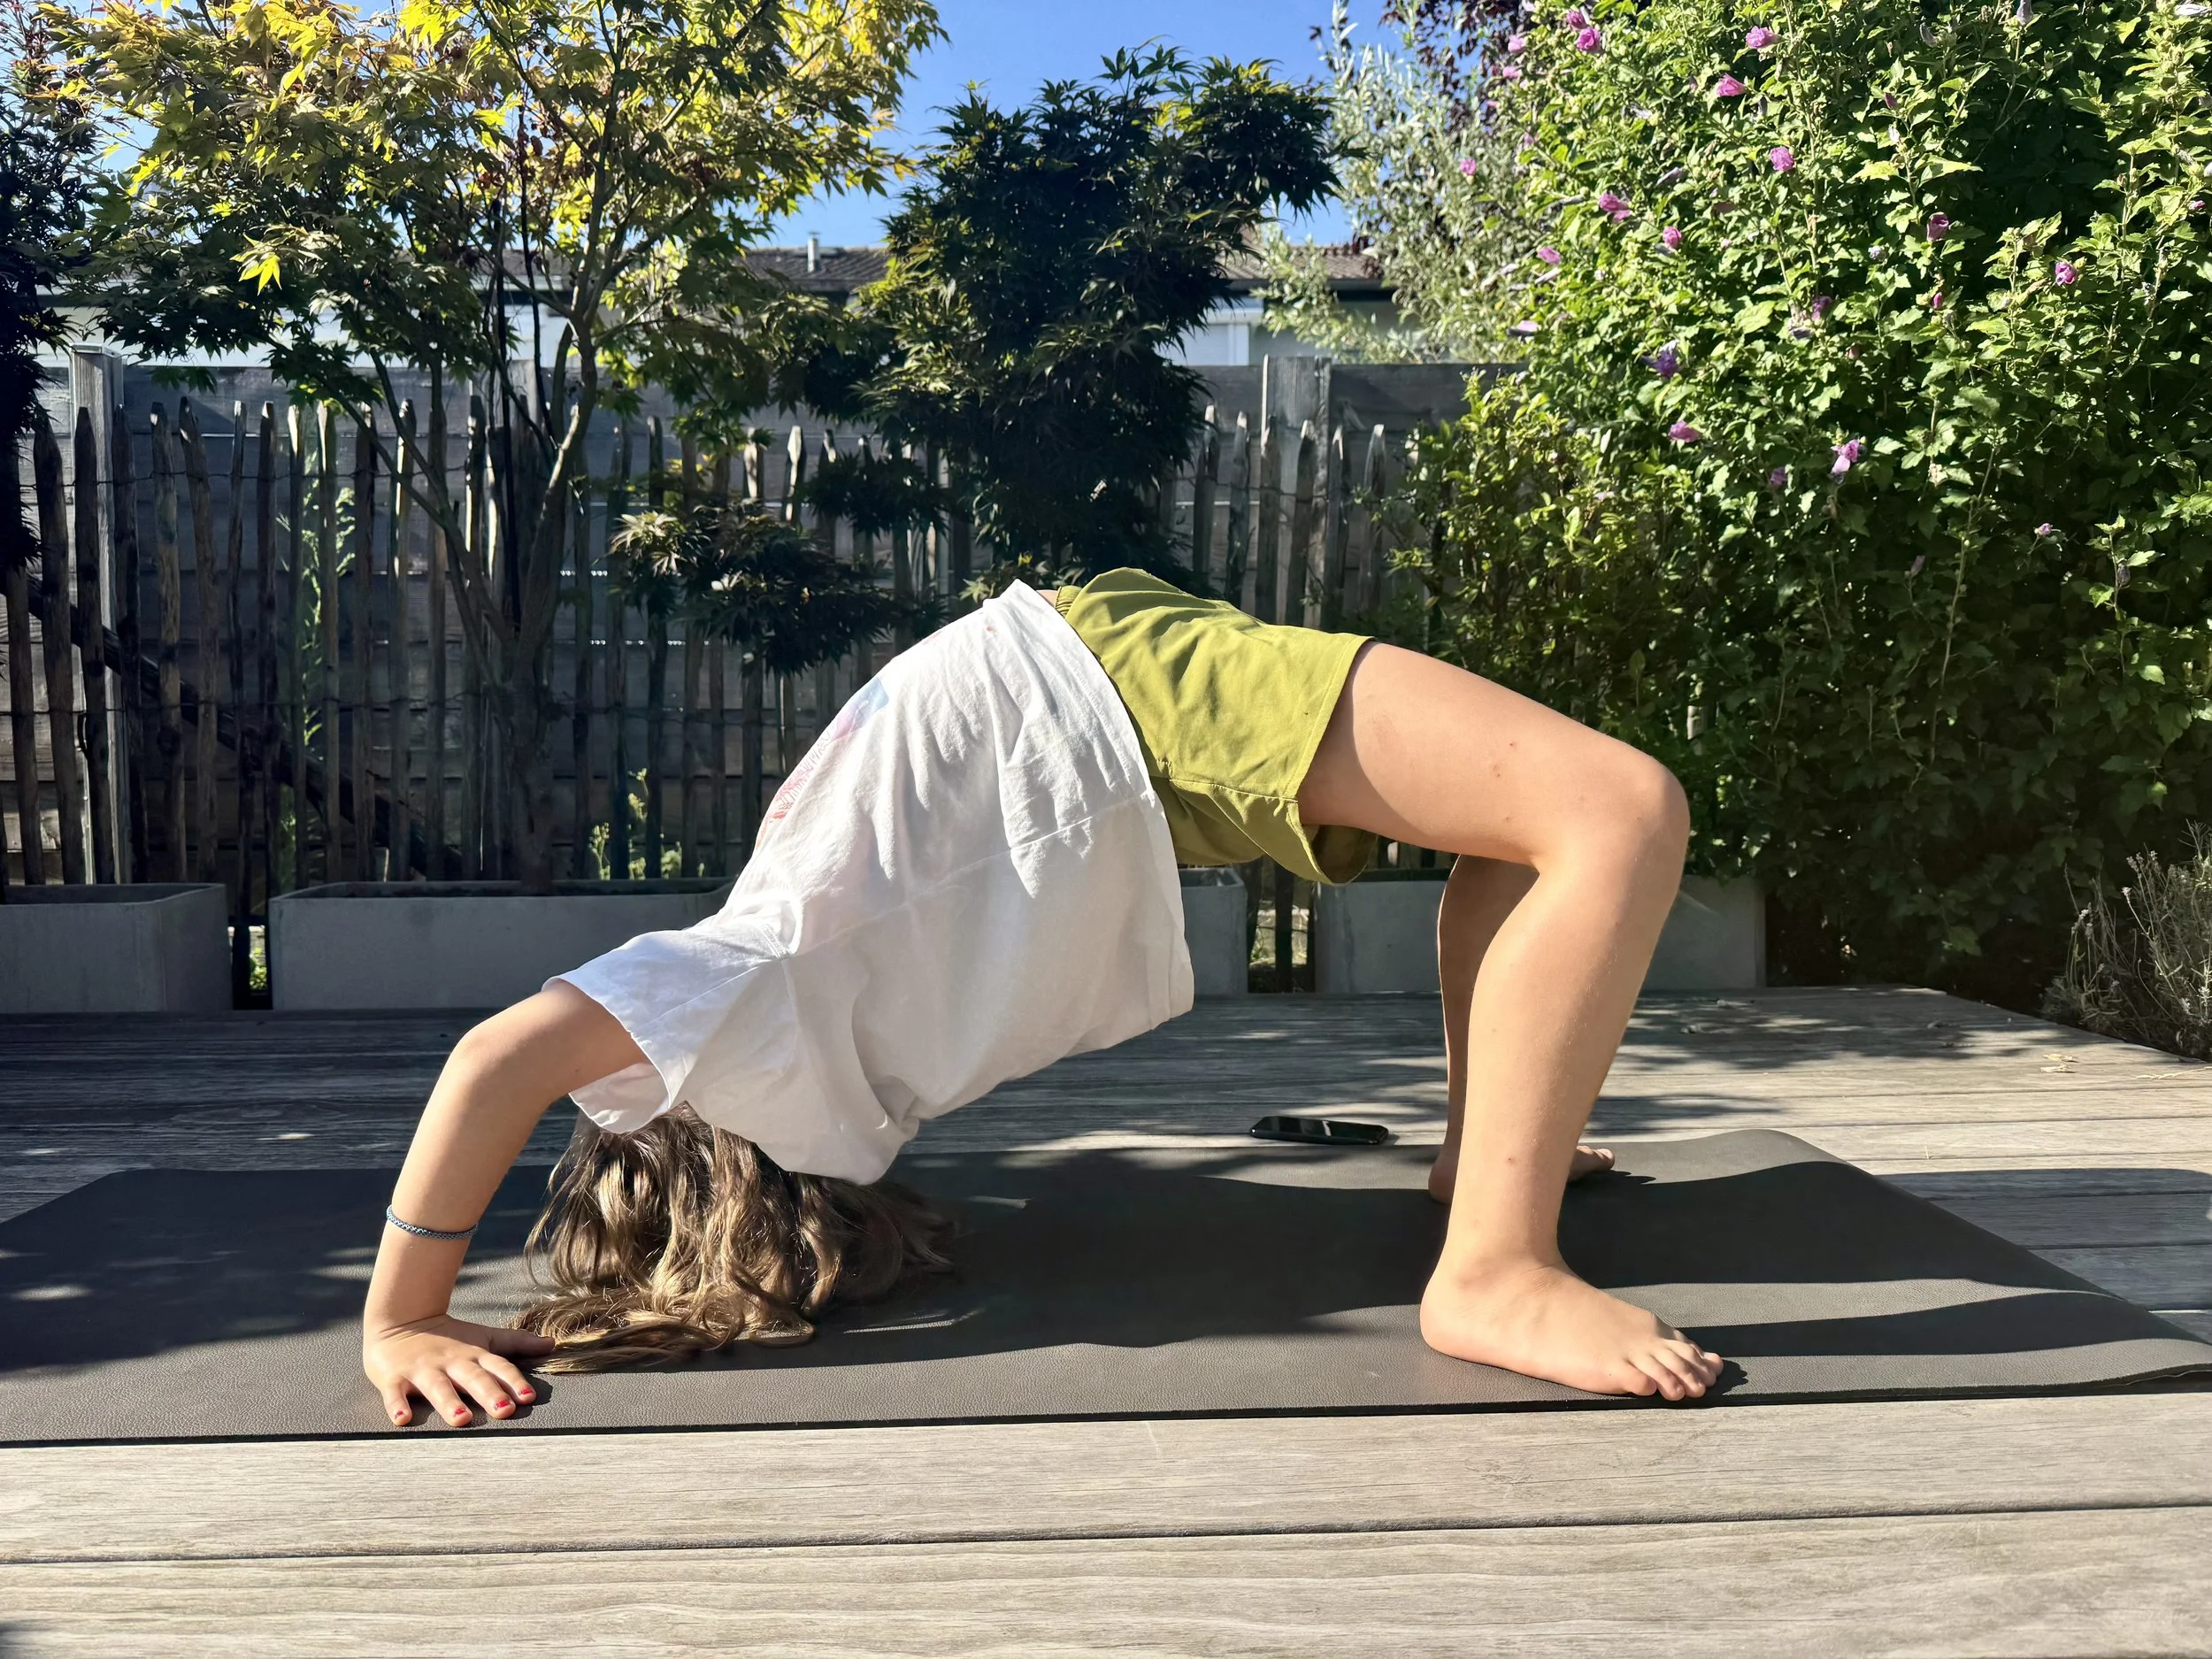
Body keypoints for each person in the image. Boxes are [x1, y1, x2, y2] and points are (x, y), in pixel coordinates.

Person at [361, 571, 1723, 1427]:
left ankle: (1493, 1251)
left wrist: (403, 1313)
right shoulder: (804, 1075)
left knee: (1604, 812)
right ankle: (1488, 1219)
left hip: (1099, 699)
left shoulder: (730, 1011)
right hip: (1097, 710)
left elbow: (497, 1057)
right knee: (1563, 818)